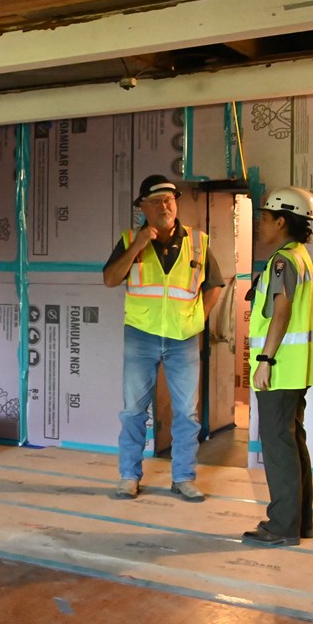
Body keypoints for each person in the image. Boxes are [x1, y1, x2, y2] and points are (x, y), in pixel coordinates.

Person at [103, 175, 223, 501]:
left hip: (182, 339)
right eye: (155, 201)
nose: (164, 206)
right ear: (142, 207)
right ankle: (129, 476)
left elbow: (214, 285)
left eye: (169, 199)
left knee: (187, 413)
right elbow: (111, 278)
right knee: (133, 412)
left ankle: (183, 478)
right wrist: (138, 245)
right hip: (141, 336)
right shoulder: (130, 240)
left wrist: (198, 318)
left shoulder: (198, 242)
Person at [243, 187, 313, 547]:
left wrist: (264, 360)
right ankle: (300, 522)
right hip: (299, 368)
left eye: (264, 217)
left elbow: (280, 312)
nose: (259, 224)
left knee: (279, 445)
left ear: (281, 221)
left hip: (281, 367)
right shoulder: (301, 257)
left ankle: (281, 526)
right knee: (292, 441)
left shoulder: (283, 260)